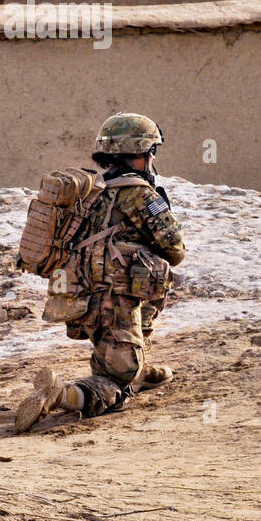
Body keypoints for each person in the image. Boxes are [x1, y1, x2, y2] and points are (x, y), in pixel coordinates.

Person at [15, 113, 186, 433]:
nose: (153, 159)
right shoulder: (138, 193)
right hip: (113, 298)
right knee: (114, 385)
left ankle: (136, 368)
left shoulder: (92, 191)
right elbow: (175, 251)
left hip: (76, 296)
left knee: (121, 363)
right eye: (152, 152)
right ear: (141, 153)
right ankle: (62, 395)